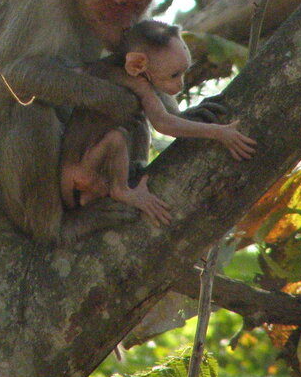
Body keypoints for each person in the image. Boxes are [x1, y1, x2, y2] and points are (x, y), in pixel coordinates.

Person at [59, 20, 257, 225]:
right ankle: (122, 191)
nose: (180, 84)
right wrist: (219, 133)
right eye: (174, 75)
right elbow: (163, 124)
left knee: (120, 133)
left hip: (81, 172)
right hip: (81, 173)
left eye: (184, 72)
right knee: (116, 137)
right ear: (137, 65)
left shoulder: (109, 70)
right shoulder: (132, 79)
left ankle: (114, 187)